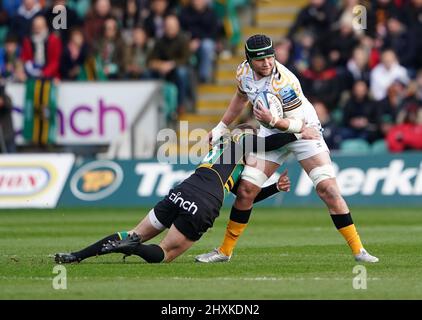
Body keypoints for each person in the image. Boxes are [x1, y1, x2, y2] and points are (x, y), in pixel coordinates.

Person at [196, 34, 379, 264]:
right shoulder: (243, 73)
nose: (268, 63)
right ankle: (224, 251)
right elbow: (241, 97)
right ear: (249, 60)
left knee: (328, 190)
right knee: (245, 191)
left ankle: (358, 250)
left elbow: (294, 126)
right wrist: (222, 127)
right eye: (261, 59)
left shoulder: (285, 82)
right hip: (273, 133)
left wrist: (271, 119)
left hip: (303, 130)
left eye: (270, 57)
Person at [54, 124, 320, 264]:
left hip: (184, 188)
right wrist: (298, 133)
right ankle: (135, 250)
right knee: (164, 253)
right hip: (205, 200)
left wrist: (273, 188)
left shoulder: (223, 152)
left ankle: (77, 255)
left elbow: (244, 195)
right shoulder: (242, 143)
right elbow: (267, 142)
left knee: (134, 231)